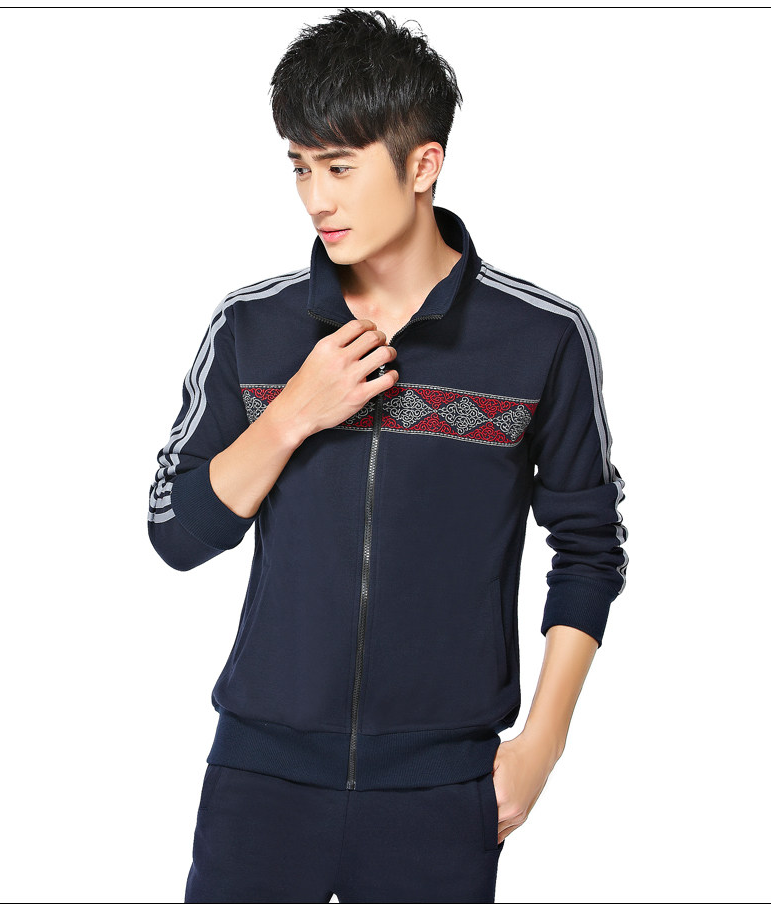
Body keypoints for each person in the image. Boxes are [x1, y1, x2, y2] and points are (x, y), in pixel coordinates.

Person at [147, 8, 628, 903]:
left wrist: (541, 747)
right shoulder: (253, 326)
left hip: (442, 790)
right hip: (259, 779)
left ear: (423, 165)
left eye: (339, 166)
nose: (315, 198)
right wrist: (292, 413)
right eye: (299, 166)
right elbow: (176, 530)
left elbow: (590, 549)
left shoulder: (541, 338)